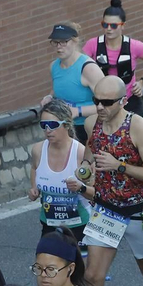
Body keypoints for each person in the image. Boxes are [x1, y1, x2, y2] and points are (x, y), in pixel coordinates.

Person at [70, 76, 143, 286]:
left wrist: (119, 166)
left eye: (107, 102)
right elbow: (91, 147)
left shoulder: (138, 127)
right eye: (96, 101)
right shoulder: (92, 123)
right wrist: (85, 166)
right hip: (106, 209)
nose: (100, 107)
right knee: (92, 277)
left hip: (138, 209)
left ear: (123, 101)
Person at [84, 0, 143, 116]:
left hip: (129, 101)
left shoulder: (134, 46)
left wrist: (142, 82)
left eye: (114, 26)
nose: (109, 29)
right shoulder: (93, 45)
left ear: (123, 26)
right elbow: (78, 65)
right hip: (103, 103)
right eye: (105, 24)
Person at [29, 99, 88, 236]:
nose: (48, 130)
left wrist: (81, 188)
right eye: (43, 125)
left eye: (53, 125)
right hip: (50, 225)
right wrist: (34, 189)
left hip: (80, 226)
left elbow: (97, 193)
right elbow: (34, 168)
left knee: (78, 259)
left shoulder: (80, 153)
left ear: (67, 125)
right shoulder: (38, 150)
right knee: (43, 258)